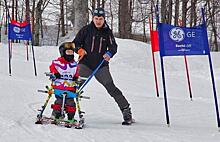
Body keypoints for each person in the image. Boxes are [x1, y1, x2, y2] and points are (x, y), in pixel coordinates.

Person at [73, 7, 133, 124]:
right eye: (96, 18)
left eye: (100, 19)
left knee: (111, 88)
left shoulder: (107, 32)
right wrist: (79, 50)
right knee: (73, 86)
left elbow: (113, 46)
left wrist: (109, 53)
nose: (98, 21)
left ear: (104, 19)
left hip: (101, 65)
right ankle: (61, 109)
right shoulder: (86, 30)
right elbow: (75, 43)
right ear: (93, 18)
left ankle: (126, 111)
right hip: (85, 64)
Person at [49, 42, 79, 124]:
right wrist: (55, 73)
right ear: (63, 52)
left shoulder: (74, 64)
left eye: (72, 52)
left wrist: (76, 77)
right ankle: (56, 115)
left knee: (71, 103)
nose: (70, 54)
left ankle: (70, 117)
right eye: (68, 52)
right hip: (59, 87)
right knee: (59, 101)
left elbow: (76, 72)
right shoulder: (57, 62)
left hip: (70, 88)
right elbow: (52, 67)